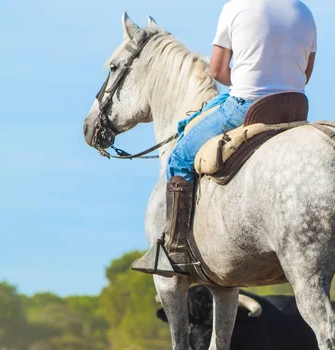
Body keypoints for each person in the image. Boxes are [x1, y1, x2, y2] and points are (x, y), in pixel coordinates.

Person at [136, 0, 317, 276]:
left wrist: (249, 83)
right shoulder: (304, 11)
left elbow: (219, 71)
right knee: (206, 110)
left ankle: (175, 250)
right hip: (295, 107)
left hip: (248, 106)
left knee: (180, 158)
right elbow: (305, 74)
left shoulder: (236, 7)